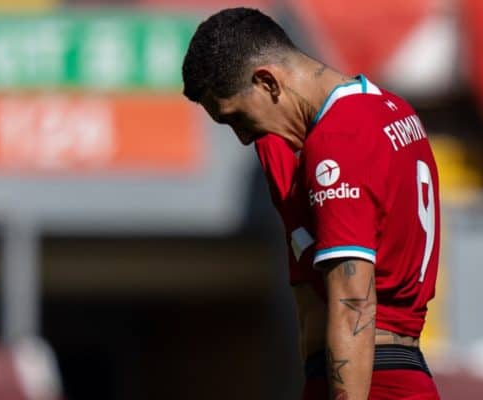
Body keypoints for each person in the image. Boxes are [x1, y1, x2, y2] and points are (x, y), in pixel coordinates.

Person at [182, 8, 441, 400]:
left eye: (237, 119)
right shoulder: (393, 111)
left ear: (268, 81)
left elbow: (353, 301)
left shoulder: (339, 140)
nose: (243, 138)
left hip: (368, 381)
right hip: (402, 373)